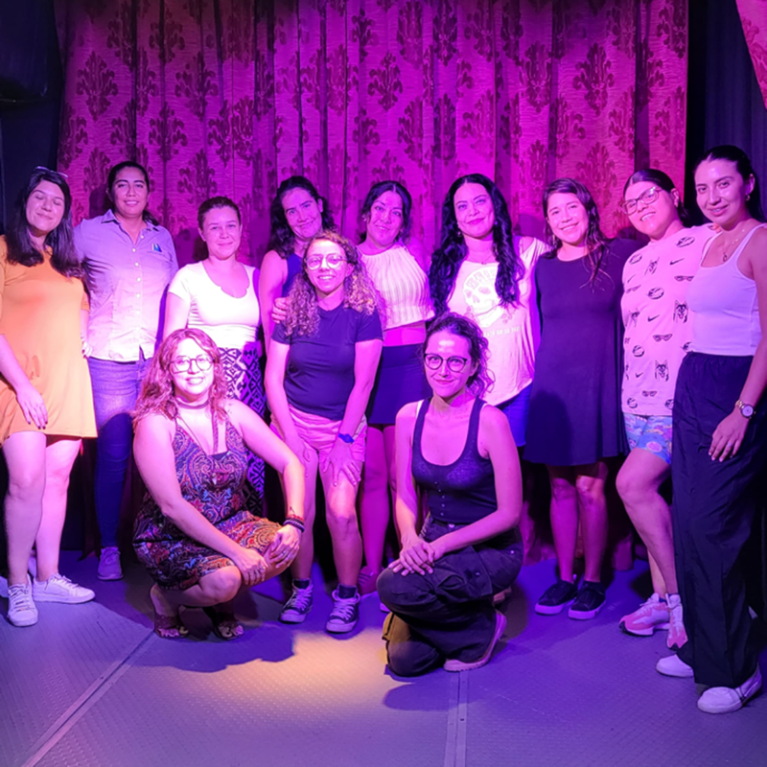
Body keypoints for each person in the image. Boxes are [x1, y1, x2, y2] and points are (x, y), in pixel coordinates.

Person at [655, 146, 767, 715]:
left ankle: (738, 671)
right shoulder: (706, 242)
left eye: (723, 183)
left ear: (748, 183)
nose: (712, 196)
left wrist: (743, 410)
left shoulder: (761, 241)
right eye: (702, 188)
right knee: (689, 524)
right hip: (695, 384)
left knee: (714, 526)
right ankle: (703, 647)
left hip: (737, 389)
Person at [132, 329, 305, 639]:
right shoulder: (155, 422)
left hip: (230, 522)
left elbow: (290, 462)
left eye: (202, 359)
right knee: (225, 581)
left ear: (214, 365)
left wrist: (295, 522)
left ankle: (222, 596)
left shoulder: (232, 411)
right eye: (182, 361)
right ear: (167, 370)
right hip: (173, 535)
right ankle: (167, 597)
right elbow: (172, 507)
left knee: (284, 546)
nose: (194, 369)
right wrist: (238, 553)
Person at [377, 313, 523, 675]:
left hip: (489, 549)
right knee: (405, 662)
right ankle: (475, 618)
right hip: (434, 541)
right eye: (434, 359)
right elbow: (404, 494)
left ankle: (481, 623)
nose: (443, 371)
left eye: (456, 361)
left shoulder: (491, 421)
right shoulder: (409, 417)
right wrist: (410, 538)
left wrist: (440, 546)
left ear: (472, 366)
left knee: (391, 586)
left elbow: (509, 514)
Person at [525, 177, 639, 619]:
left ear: (587, 208)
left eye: (571, 207)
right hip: (552, 387)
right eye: (555, 211)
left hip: (597, 384)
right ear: (549, 222)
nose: (565, 217)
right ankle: (564, 577)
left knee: (592, 487)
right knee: (558, 487)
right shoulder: (543, 267)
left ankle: (592, 580)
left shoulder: (620, 254)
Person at [265, 230, 383, 633]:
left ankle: (346, 597)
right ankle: (300, 590)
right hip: (293, 423)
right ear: (306, 268)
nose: (324, 267)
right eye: (315, 260)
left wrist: (345, 440)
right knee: (299, 514)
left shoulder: (364, 313)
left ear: (349, 267)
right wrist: (290, 438)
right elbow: (273, 379)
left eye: (333, 259)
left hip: (342, 427)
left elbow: (364, 383)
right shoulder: (292, 311)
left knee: (341, 513)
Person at [429, 173, 549, 563]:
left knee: (519, 478)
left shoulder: (529, 251)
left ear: (495, 205)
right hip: (469, 394)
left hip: (521, 387)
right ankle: (480, 557)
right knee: (477, 480)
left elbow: (573, 271)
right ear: (453, 217)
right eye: (462, 206)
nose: (473, 212)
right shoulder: (446, 266)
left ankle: (513, 557)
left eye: (480, 201)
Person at [616, 170, 713, 648]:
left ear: (674, 195)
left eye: (648, 196)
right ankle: (659, 597)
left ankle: (682, 602)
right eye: (631, 203)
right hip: (635, 395)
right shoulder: (633, 261)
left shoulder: (705, 240)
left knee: (632, 485)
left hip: (681, 396)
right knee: (652, 501)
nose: (640, 207)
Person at [1, 167, 97, 627]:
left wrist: (83, 336)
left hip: (68, 382)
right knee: (26, 481)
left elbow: (81, 308)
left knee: (58, 480)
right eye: (40, 197)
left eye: (57, 201)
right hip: (19, 383)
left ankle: (48, 575)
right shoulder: (3, 250)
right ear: (25, 202)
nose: (48, 206)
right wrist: (22, 385)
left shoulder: (65, 261)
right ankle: (18, 582)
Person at [75, 161, 178, 581]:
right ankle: (110, 548)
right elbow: (65, 282)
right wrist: (78, 327)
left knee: (160, 455)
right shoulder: (87, 232)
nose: (131, 192)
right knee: (114, 457)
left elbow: (175, 294)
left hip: (155, 363)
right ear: (111, 191)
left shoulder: (161, 237)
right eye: (122, 184)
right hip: (109, 361)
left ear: (149, 192)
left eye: (139, 184)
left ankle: (162, 543)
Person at [355, 181, 434, 595]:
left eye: (397, 211)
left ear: (404, 221)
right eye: (380, 208)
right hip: (370, 369)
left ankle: (412, 556)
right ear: (366, 214)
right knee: (373, 475)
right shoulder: (350, 259)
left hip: (413, 368)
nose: (387, 218)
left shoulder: (414, 250)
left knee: (404, 473)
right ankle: (372, 566)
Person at [164, 196, 265, 510]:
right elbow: (171, 341)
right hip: (202, 382)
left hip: (250, 384)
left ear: (241, 229)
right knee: (209, 465)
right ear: (202, 233)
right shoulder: (188, 277)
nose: (224, 234)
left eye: (231, 226)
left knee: (249, 466)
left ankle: (249, 529)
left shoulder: (257, 275)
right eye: (215, 227)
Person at [258, 176, 334, 350]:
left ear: (320, 205)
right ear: (285, 218)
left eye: (306, 206)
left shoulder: (342, 252)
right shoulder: (276, 260)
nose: (302, 217)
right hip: (297, 359)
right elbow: (270, 329)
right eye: (292, 212)